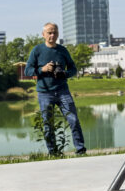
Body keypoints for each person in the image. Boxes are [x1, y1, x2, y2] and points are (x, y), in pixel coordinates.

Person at [24, 22, 86, 155]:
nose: (52, 35)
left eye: (55, 33)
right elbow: (27, 70)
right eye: (49, 33)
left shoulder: (62, 50)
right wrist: (42, 69)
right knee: (48, 124)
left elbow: (73, 68)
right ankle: (53, 152)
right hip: (44, 93)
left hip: (63, 90)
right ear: (43, 34)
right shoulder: (37, 50)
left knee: (73, 120)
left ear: (58, 34)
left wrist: (65, 73)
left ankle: (80, 150)